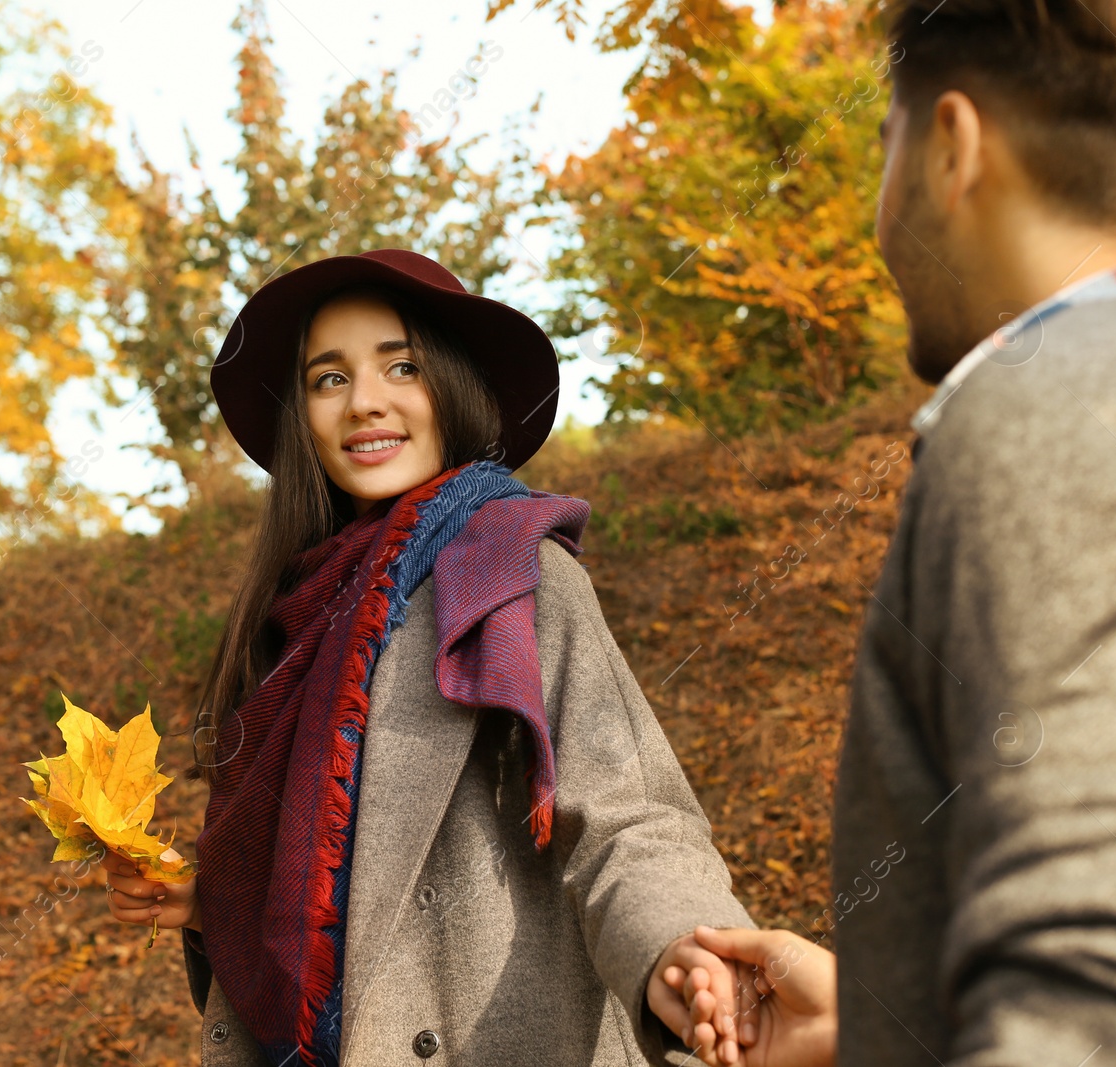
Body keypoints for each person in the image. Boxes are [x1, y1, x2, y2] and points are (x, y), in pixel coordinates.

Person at [662, 0, 1116, 1064]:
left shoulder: (1052, 407)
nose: (877, 218)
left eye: (885, 147)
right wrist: (886, 1021)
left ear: (952, 148)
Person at [98, 247, 755, 1065]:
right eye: (328, 379)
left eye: (400, 365)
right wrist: (211, 904)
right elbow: (324, 878)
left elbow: (627, 812)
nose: (365, 403)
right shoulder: (288, 621)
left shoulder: (513, 569)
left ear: (451, 387)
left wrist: (676, 947)